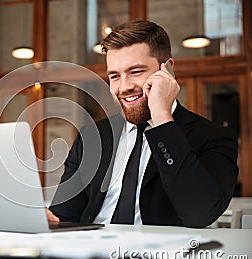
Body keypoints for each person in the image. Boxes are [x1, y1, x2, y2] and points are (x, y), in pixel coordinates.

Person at [47, 19, 239, 228]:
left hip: (159, 257)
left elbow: (201, 213)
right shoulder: (92, 137)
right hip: (93, 251)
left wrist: (162, 117)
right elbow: (65, 215)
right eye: (114, 76)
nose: (124, 87)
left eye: (136, 72)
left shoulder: (213, 137)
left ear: (168, 70)